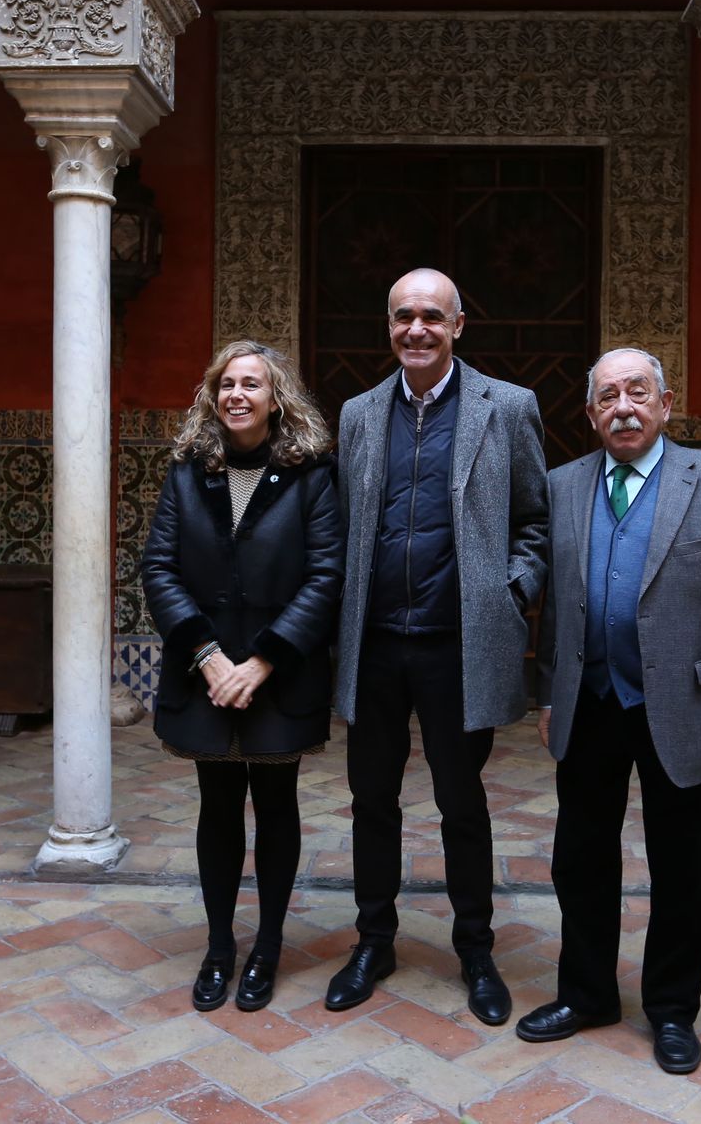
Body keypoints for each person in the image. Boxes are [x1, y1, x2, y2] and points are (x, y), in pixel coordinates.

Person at [516, 347, 701, 1074]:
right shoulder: (563, 484)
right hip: (591, 700)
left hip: (685, 705)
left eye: (637, 392)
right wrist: (548, 695)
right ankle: (588, 992)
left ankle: (671, 1009)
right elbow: (556, 608)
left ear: (666, 404)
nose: (622, 406)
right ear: (591, 412)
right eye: (607, 396)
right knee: (581, 858)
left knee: (682, 866)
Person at [325, 268, 549, 1025]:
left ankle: (476, 950)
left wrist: (510, 589)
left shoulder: (508, 407)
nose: (414, 329)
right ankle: (374, 939)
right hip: (377, 641)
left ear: (459, 324)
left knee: (462, 802)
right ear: (388, 327)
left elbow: (536, 519)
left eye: (430, 316)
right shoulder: (358, 413)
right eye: (401, 317)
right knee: (371, 801)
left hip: (458, 644)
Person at [140, 339, 343, 1014]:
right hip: (206, 673)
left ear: (276, 396)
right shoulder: (187, 471)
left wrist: (261, 660)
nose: (236, 394)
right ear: (212, 392)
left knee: (277, 808)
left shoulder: (312, 473)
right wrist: (207, 656)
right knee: (217, 810)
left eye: (251, 384)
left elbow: (325, 575)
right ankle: (220, 946)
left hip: (278, 675)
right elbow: (160, 568)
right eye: (227, 382)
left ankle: (270, 945)